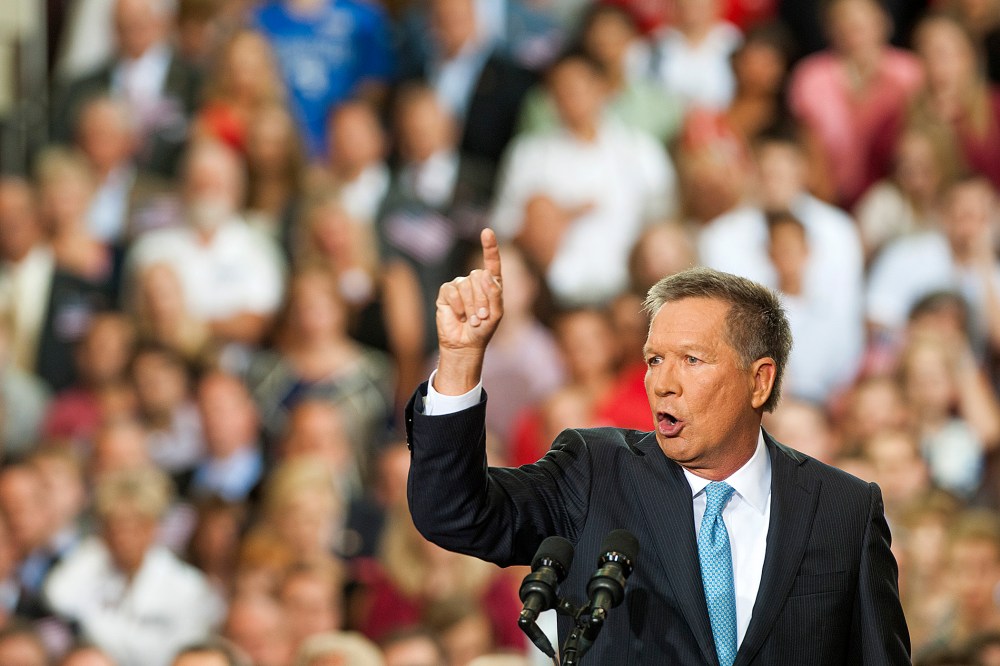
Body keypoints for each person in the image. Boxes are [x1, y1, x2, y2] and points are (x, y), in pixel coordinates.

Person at [406, 229, 910, 663]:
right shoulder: (595, 472)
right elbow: (454, 512)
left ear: (759, 381)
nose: (662, 384)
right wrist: (460, 358)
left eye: (691, 360)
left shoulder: (844, 509)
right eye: (653, 360)